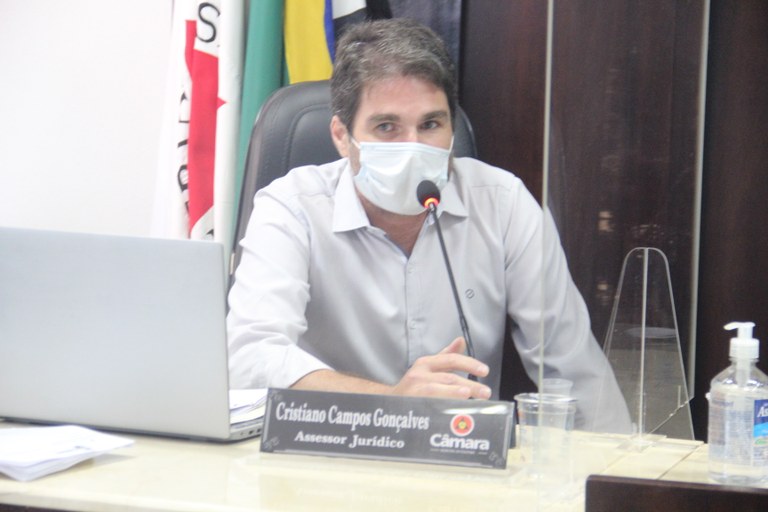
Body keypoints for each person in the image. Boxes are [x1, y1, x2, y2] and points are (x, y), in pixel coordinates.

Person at [227, 18, 630, 432]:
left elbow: (573, 366)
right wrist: (390, 402)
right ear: (342, 136)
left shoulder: (503, 203)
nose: (413, 148)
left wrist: (620, 467)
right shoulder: (292, 206)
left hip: (461, 449)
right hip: (323, 448)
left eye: (430, 124)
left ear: (452, 127)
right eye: (387, 127)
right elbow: (249, 357)